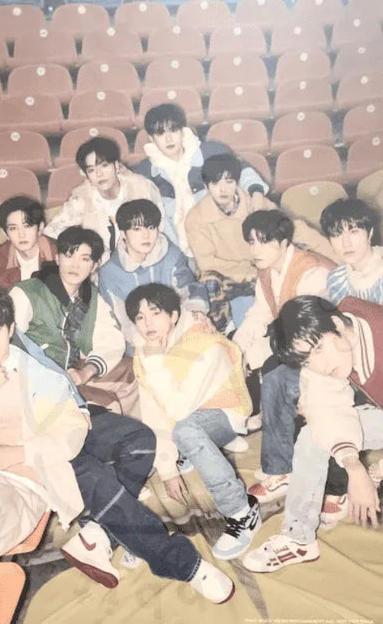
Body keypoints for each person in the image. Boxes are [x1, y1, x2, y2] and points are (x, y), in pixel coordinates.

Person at [0, 288, 236, 623]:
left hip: (12, 483)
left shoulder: (39, 378)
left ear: (10, 328)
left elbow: (70, 433)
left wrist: (19, 452)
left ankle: (169, 559)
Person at [243, 295, 383, 573]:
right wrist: (354, 467)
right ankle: (299, 538)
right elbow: (326, 411)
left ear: (337, 325)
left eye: (318, 349)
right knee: (312, 436)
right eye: (307, 359)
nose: (320, 366)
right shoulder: (328, 342)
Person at [126, 283, 260, 561]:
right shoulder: (148, 350)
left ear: (174, 315)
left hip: (225, 413)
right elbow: (153, 412)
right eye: (140, 317)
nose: (148, 324)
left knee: (186, 429)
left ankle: (241, 511)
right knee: (142, 440)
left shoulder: (203, 344)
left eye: (155, 313)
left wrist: (155, 362)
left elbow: (177, 410)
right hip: (189, 416)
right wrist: (167, 468)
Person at [233, 210, 336, 504]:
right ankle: (265, 432)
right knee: (237, 351)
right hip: (296, 343)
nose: (256, 250)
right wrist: (237, 349)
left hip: (327, 351)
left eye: (264, 241)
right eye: (251, 242)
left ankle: (280, 471)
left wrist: (256, 353)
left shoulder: (312, 272)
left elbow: (306, 332)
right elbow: (259, 314)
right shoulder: (268, 270)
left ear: (284, 242)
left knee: (274, 373)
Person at [9, 225, 138, 415]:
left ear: (94, 265)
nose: (75, 266)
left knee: (132, 371)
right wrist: (54, 376)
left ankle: (138, 430)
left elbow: (109, 339)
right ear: (57, 258)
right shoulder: (27, 293)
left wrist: (87, 371)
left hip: (72, 370)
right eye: (69, 256)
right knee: (109, 404)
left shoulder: (90, 297)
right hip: (36, 380)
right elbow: (10, 347)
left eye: (84, 259)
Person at [133, 103, 269, 258]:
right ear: (151, 138)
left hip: (223, 240)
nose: (169, 138)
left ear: (183, 131)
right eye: (160, 133)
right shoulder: (144, 172)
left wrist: (256, 192)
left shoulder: (211, 152)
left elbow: (242, 172)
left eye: (173, 130)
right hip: (180, 252)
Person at [98, 198, 209, 349]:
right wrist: (147, 344)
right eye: (137, 229)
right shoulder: (110, 273)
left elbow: (189, 293)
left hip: (179, 333)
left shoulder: (171, 255)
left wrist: (194, 317)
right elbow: (121, 322)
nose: (146, 236)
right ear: (123, 233)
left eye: (151, 227)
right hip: (139, 342)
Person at [185, 153, 276, 332]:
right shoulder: (196, 217)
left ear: (237, 182)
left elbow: (288, 229)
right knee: (209, 282)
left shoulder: (255, 204)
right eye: (215, 183)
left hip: (258, 270)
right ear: (207, 185)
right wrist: (246, 272)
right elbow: (206, 263)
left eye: (229, 182)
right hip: (224, 275)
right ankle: (223, 328)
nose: (223, 189)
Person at [44, 136, 163, 261]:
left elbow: (161, 229)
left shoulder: (141, 188)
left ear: (116, 165)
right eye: (91, 170)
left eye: (104, 165)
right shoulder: (83, 198)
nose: (99, 174)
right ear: (87, 175)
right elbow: (52, 232)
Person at [321, 198, 383, 305]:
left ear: (370, 233)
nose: (346, 244)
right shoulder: (336, 281)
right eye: (337, 235)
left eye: (354, 232)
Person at [0, 195, 57, 289]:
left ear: (40, 227)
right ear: (5, 233)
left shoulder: (59, 253)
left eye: (27, 226)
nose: (21, 235)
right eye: (13, 228)